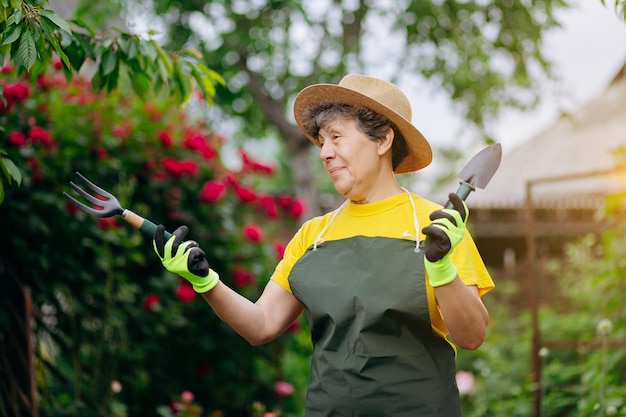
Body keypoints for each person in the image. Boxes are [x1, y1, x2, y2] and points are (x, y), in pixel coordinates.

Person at [153, 74, 494, 416]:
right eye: (321, 142)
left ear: (383, 140)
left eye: (337, 137)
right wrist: (205, 280)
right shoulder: (313, 236)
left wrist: (441, 266)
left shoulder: (438, 227)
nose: (325, 153)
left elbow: (471, 335)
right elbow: (261, 324)